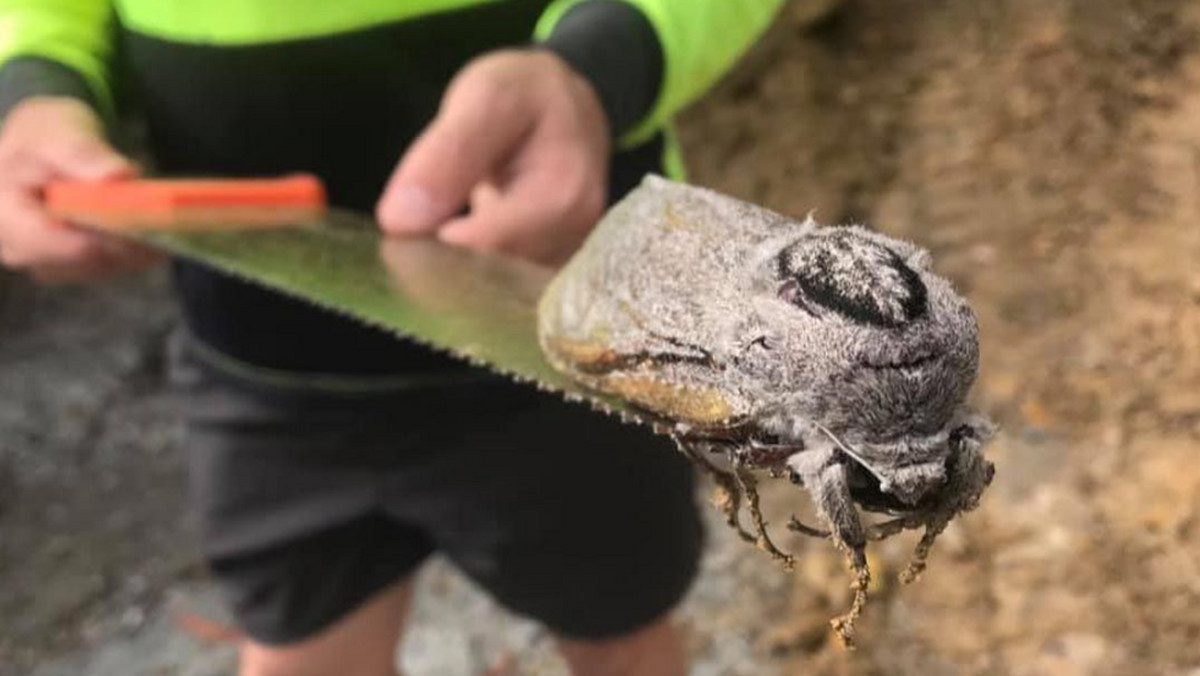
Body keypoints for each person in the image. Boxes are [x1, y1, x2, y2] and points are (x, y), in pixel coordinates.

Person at [0, 2, 782, 674]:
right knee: (300, 644)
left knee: (624, 628)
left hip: (564, 327)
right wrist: (33, 87)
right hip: (258, 360)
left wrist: (599, 65)